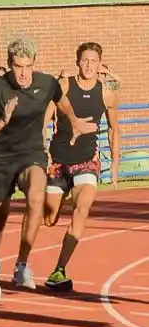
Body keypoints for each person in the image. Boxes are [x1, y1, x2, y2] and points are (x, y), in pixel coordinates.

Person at [0, 37, 95, 303]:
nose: (24, 73)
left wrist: (73, 121)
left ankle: (22, 264)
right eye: (18, 66)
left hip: (30, 155)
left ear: (34, 64)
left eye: (28, 66)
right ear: (9, 65)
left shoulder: (45, 82)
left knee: (37, 194)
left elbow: (60, 99)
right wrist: (2, 122)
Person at [43, 42, 120, 291]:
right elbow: (45, 117)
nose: (89, 65)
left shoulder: (106, 93)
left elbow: (113, 129)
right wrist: (41, 149)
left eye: (93, 61)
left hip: (87, 161)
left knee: (83, 207)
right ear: (78, 62)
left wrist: (115, 165)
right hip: (58, 161)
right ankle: (61, 197)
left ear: (100, 64)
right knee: (49, 218)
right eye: (85, 60)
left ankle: (59, 269)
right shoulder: (64, 86)